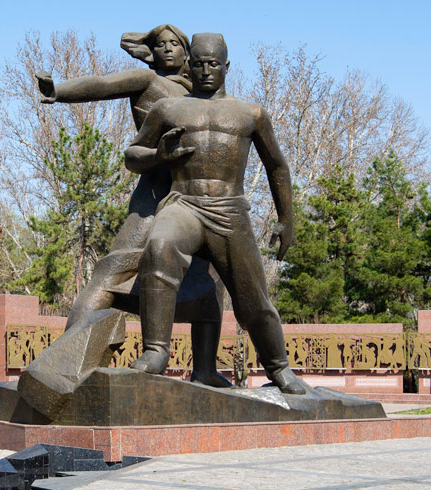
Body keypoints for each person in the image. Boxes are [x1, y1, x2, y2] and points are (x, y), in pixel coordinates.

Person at [36, 24, 230, 387]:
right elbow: (103, 84)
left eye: (175, 44)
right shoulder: (148, 81)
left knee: (208, 283)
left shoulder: (203, 93)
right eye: (160, 45)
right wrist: (58, 91)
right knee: (114, 270)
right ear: (150, 52)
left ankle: (205, 368)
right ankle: (62, 361)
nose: (168, 50)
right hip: (154, 197)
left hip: (196, 201)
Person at [123, 33, 307, 394]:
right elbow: (132, 156)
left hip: (229, 211)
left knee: (253, 296)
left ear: (227, 66)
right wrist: (158, 156)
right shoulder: (168, 109)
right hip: (184, 204)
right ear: (189, 65)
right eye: (199, 64)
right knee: (159, 247)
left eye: (213, 64)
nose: (206, 71)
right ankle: (157, 351)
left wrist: (286, 220)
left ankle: (279, 367)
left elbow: (277, 167)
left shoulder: (250, 113)